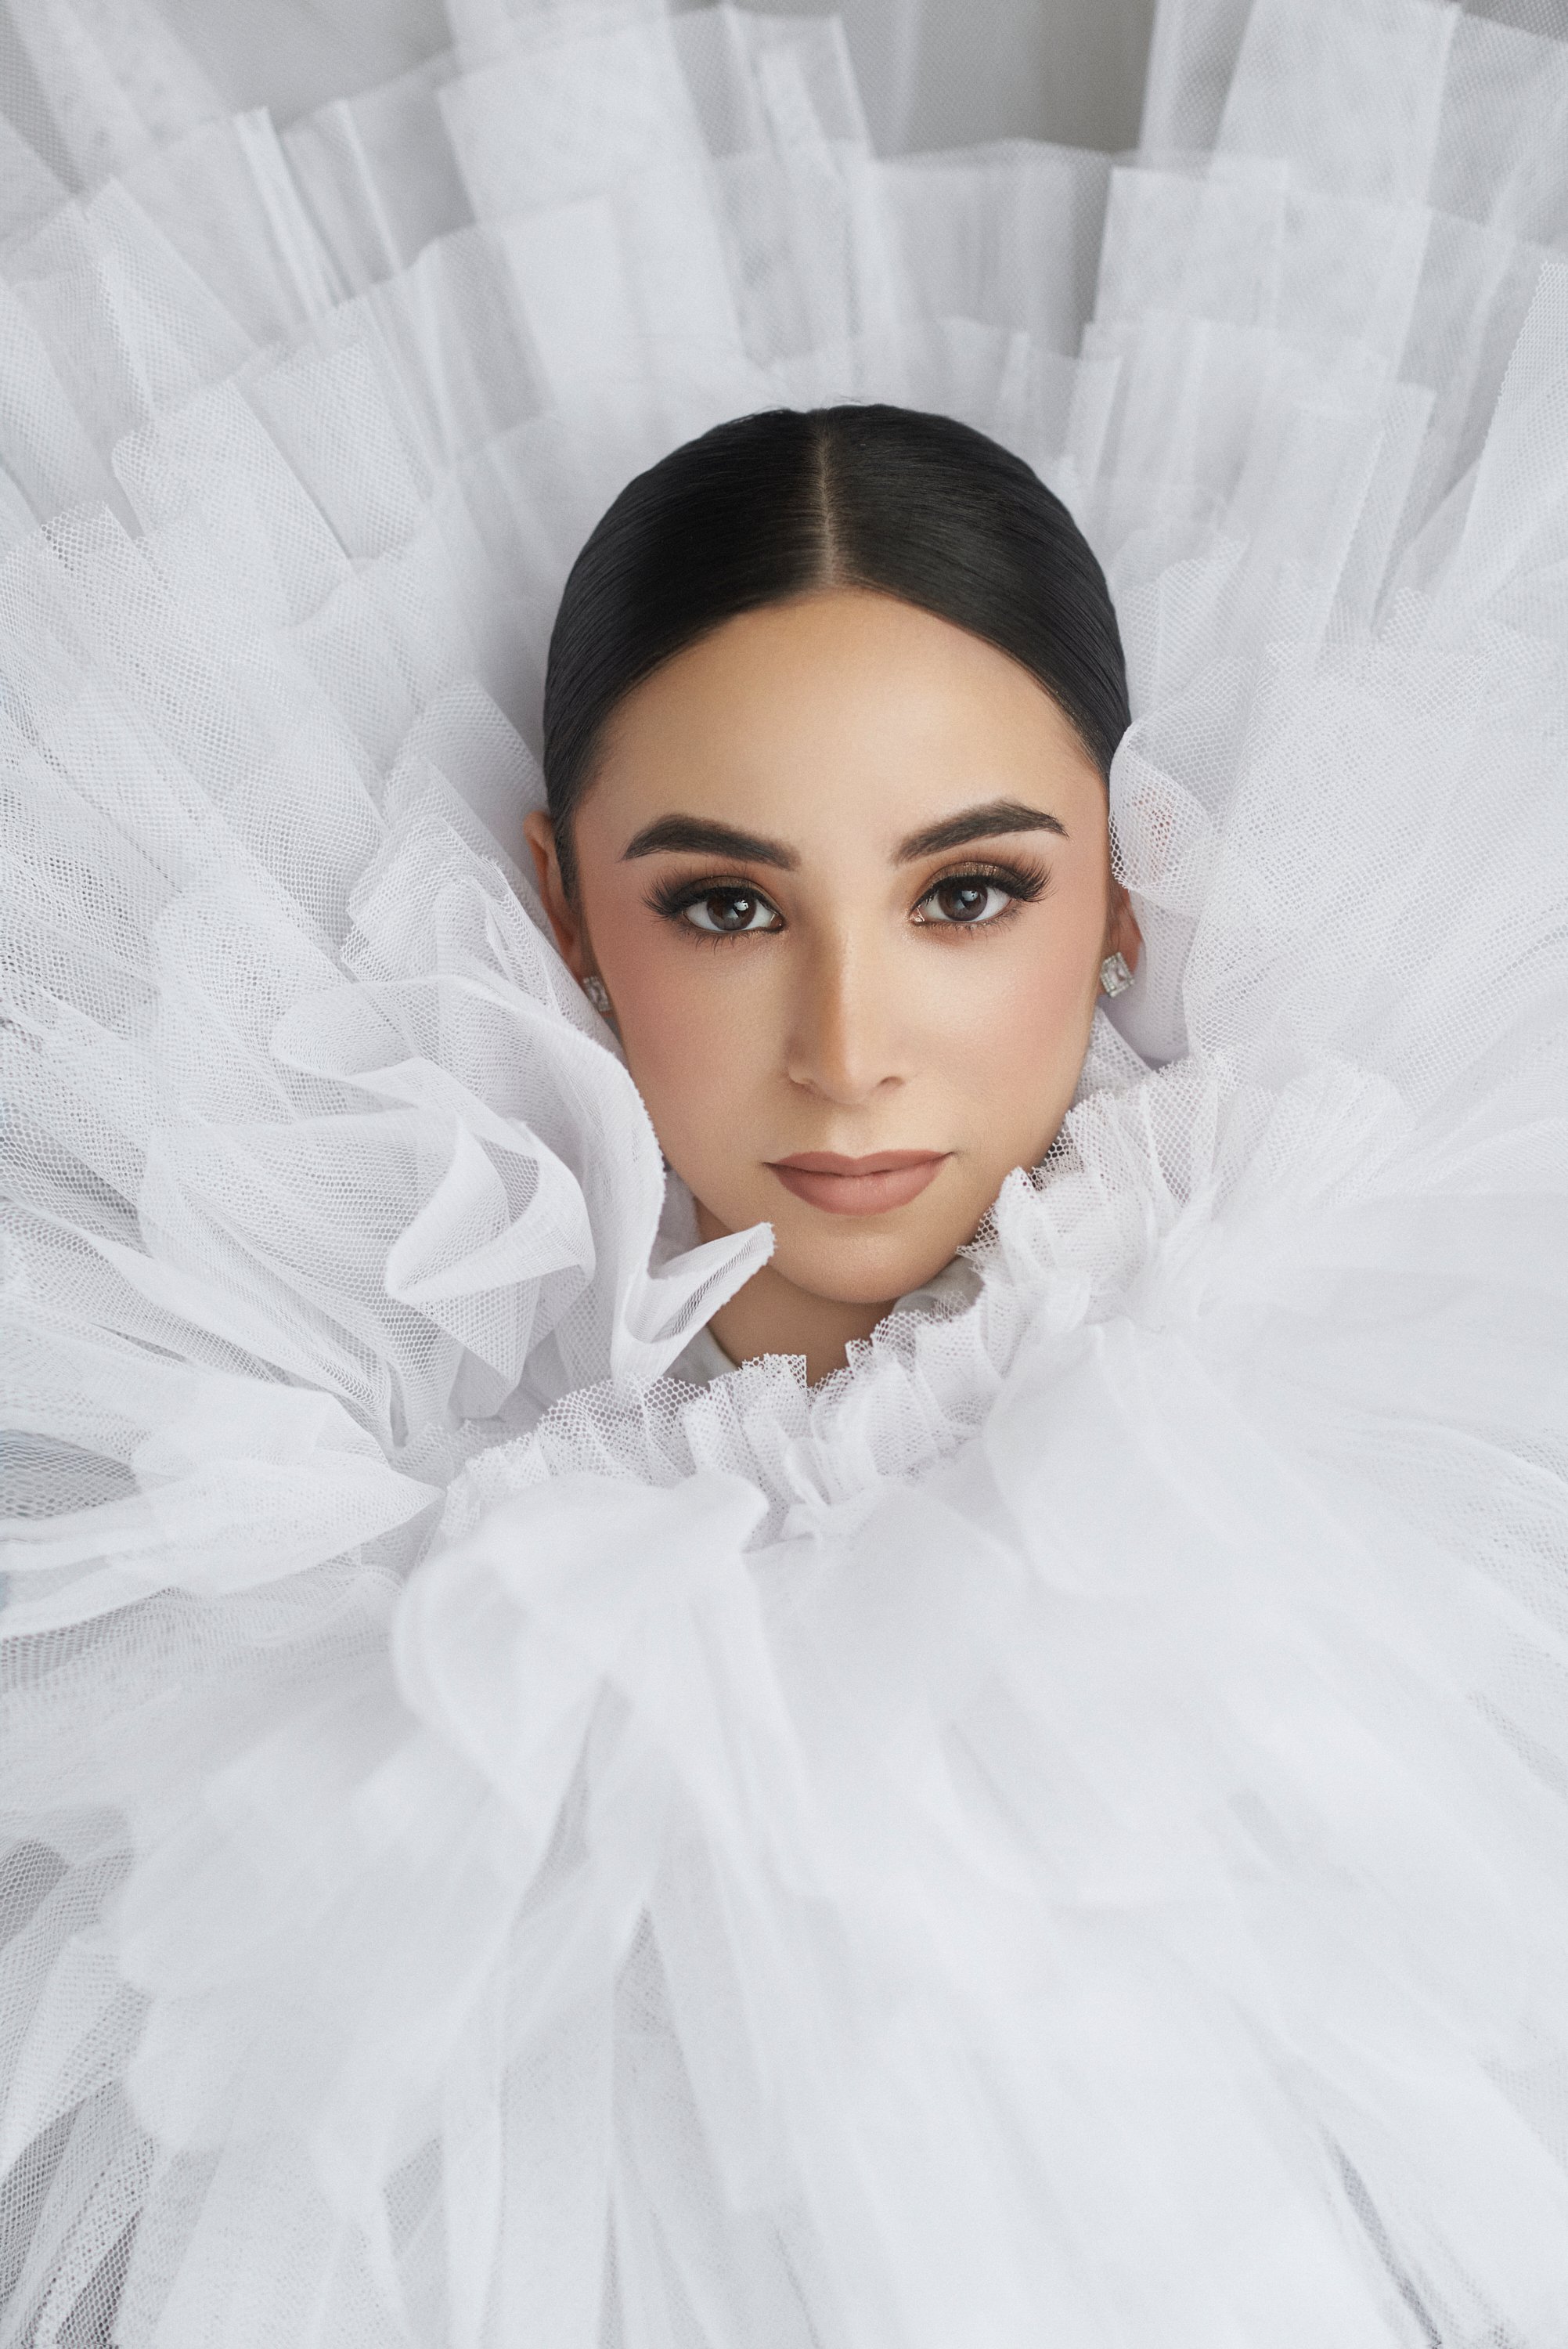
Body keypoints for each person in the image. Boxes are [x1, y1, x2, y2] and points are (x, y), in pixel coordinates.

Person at [2, 0, 1568, 2342]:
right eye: (722, 904)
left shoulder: (1388, 1418)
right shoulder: (277, 1535)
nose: (850, 1055)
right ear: (558, 912)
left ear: (1121, 896)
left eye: (970, 893)